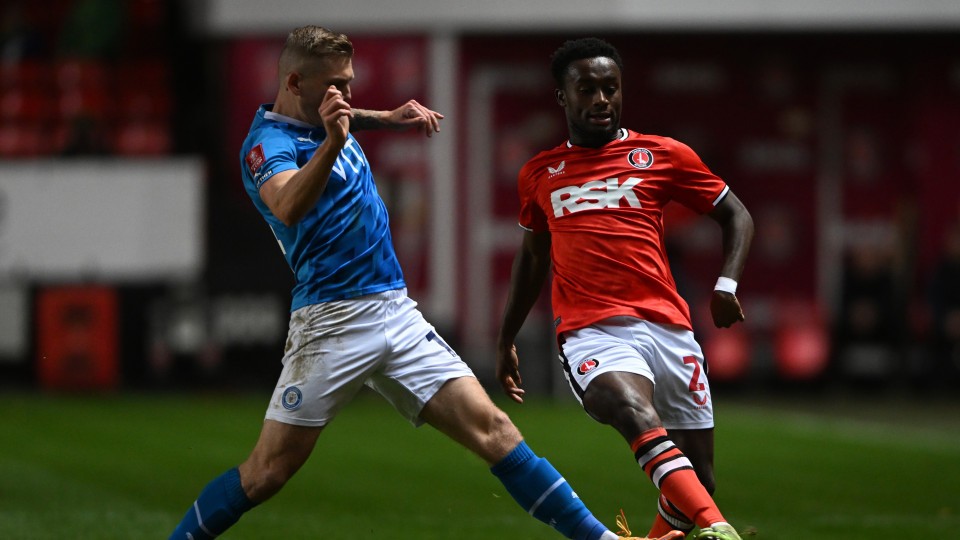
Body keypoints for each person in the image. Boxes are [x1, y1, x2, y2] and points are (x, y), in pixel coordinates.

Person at [169, 26, 678, 540]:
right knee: (267, 473)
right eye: (335, 87)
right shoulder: (267, 144)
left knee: (495, 431)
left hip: (395, 312)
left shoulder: (324, 118)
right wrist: (337, 140)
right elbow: (287, 204)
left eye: (349, 85)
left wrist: (386, 119)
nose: (345, 97)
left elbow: (336, 119)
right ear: (295, 82)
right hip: (330, 323)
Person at [496, 38, 755, 540]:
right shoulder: (540, 174)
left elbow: (736, 214)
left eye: (610, 89)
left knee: (699, 479)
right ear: (562, 97)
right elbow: (531, 259)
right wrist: (507, 337)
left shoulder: (662, 154)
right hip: (591, 330)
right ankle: (720, 529)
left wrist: (726, 284)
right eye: (587, 89)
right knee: (634, 412)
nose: (601, 100)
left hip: (669, 328)